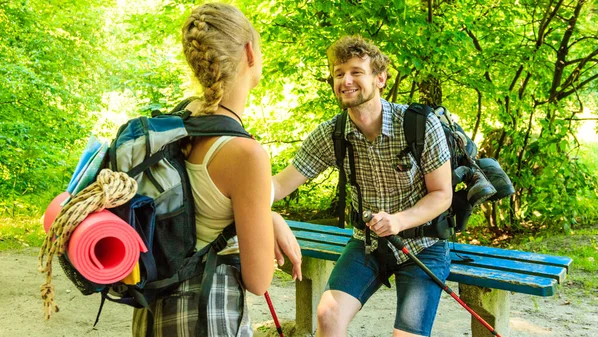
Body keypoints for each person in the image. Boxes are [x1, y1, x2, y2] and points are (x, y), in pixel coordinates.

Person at [132, 3, 301, 336]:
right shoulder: (244, 154)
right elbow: (258, 279)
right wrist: (268, 220)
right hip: (207, 314)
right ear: (250, 52)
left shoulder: (179, 122)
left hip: (153, 314)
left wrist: (269, 216)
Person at [272, 35, 453, 337]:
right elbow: (278, 185)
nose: (346, 80)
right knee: (328, 316)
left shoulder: (419, 125)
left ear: (380, 78)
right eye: (339, 73)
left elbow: (442, 194)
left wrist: (398, 220)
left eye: (356, 72)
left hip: (424, 244)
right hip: (367, 244)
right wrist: (237, 193)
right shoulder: (332, 133)